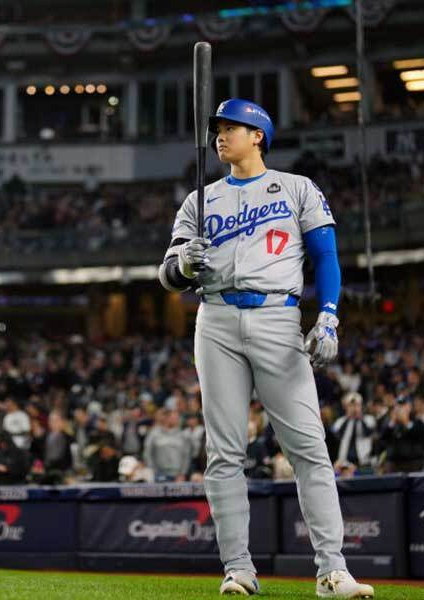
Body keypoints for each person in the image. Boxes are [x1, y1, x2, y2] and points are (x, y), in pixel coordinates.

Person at [158, 98, 372, 598]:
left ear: (258, 135)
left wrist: (330, 315)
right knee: (224, 452)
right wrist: (185, 265)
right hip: (215, 320)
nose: (219, 135)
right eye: (216, 129)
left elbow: (326, 256)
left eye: (231, 127)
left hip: (278, 315)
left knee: (308, 448)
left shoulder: (296, 187)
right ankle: (238, 569)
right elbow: (167, 277)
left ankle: (332, 570)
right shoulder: (199, 200)